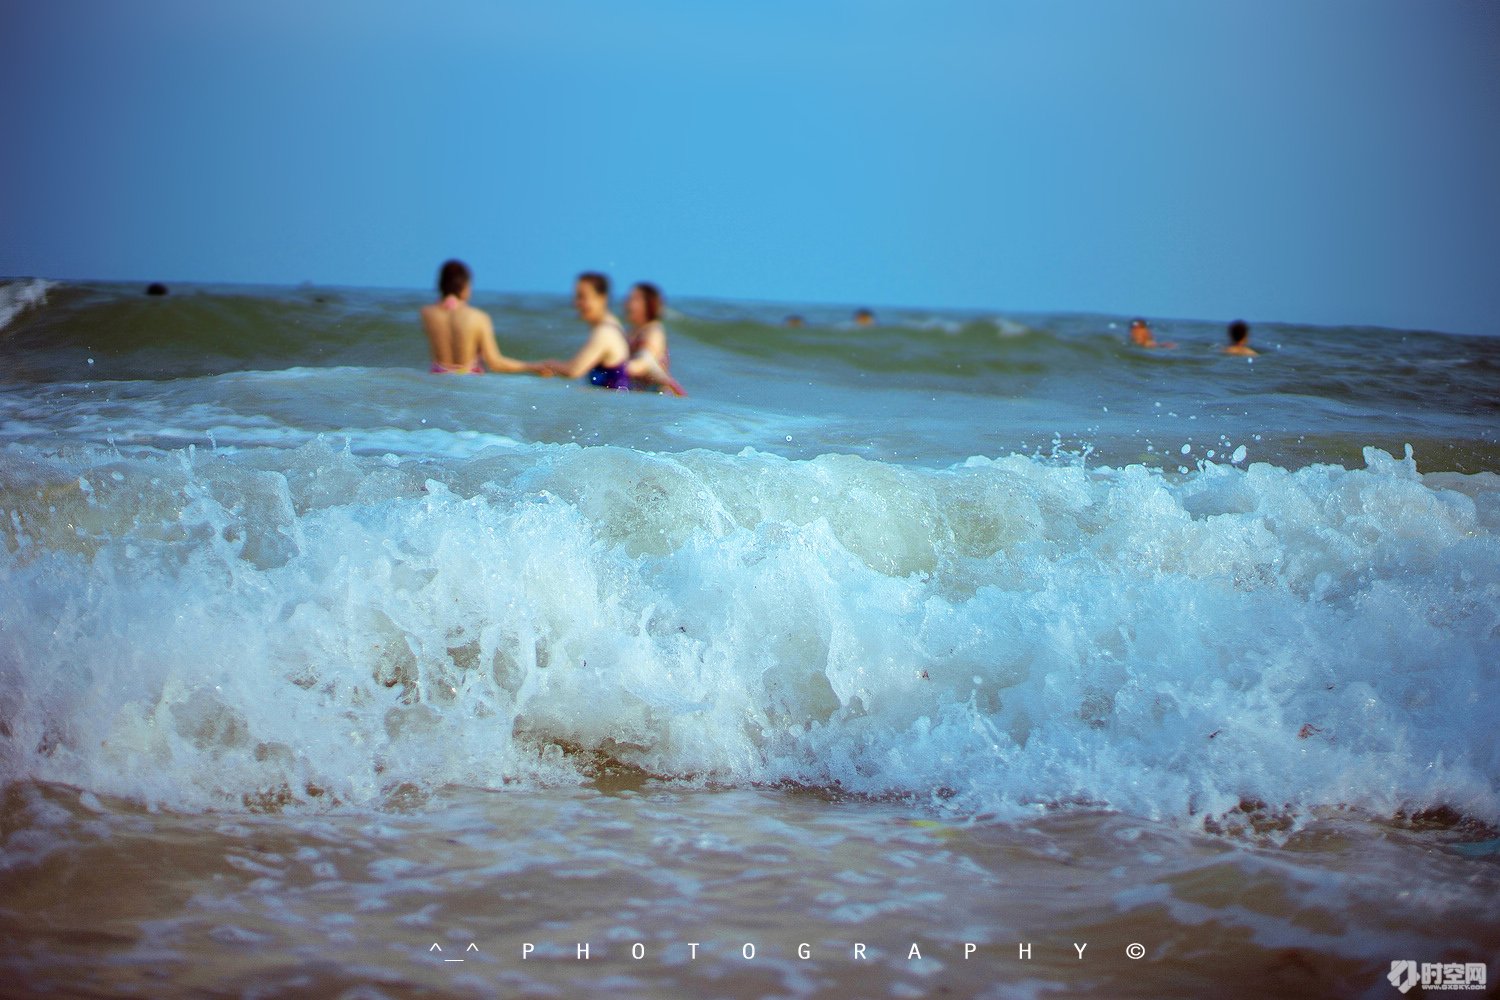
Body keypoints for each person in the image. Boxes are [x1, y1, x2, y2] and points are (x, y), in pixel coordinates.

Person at [420, 259, 532, 375]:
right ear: (464, 285)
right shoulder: (478, 317)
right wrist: (533, 366)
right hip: (468, 381)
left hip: (438, 379)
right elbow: (495, 363)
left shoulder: (427, 313)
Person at [534, 272, 634, 389]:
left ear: (602, 298)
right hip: (616, 402)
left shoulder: (605, 332)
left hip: (613, 405)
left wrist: (541, 365)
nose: (576, 303)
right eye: (576, 297)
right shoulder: (614, 325)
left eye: (582, 297)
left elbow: (573, 371)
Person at [623, 282, 686, 396]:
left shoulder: (654, 330)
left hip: (659, 394)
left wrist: (619, 369)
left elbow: (646, 361)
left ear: (649, 304)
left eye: (634, 299)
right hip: (640, 394)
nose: (627, 303)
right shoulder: (630, 333)